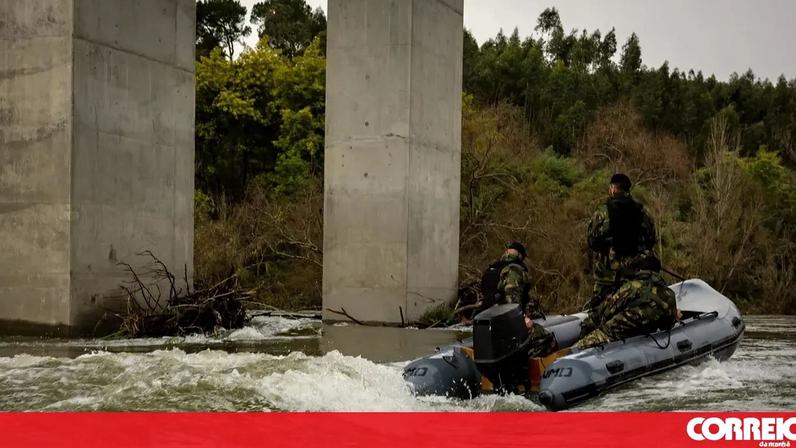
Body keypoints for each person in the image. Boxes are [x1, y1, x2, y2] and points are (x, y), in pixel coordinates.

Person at [586, 173, 658, 310]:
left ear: (613, 189)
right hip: (636, 276)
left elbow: (592, 242)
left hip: (608, 279)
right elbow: (651, 239)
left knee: (600, 312)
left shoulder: (602, 212)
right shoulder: (643, 212)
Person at [480, 241, 556, 357]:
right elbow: (511, 303)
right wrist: (522, 320)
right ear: (520, 255)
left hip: (486, 322)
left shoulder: (492, 269)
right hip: (505, 323)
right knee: (546, 338)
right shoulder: (514, 270)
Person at [574, 269, 677, 349]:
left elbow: (610, 309)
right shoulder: (669, 293)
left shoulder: (632, 286)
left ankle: (574, 351)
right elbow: (669, 322)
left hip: (627, 323)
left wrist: (597, 324)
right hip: (646, 329)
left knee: (601, 334)